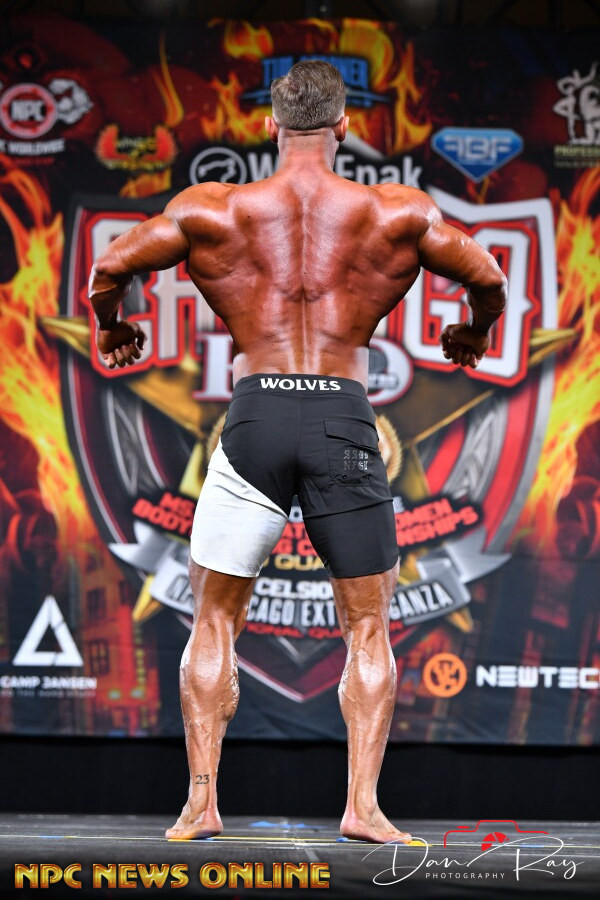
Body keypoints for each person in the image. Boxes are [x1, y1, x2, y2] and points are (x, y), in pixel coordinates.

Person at [88, 60, 506, 844]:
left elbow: (108, 270)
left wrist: (115, 326)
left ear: (270, 125)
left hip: (255, 422)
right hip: (343, 422)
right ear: (345, 125)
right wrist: (470, 331)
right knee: (369, 626)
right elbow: (488, 279)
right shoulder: (396, 211)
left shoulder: (214, 209)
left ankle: (200, 805)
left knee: (214, 618)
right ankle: (363, 809)